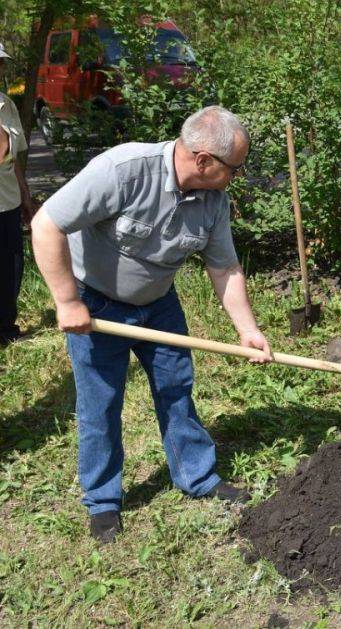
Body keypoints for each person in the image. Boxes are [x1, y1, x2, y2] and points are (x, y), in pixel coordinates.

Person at [32, 105, 272, 543]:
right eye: (234, 168)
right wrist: (67, 301)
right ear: (204, 161)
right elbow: (46, 224)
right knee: (100, 403)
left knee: (175, 388)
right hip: (96, 305)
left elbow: (225, 269)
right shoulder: (123, 170)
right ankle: (103, 501)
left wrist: (247, 330)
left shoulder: (213, 201)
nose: (237, 176)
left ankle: (197, 477)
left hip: (158, 304)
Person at [0, 41, 37, 345]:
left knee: (10, 269)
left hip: (7, 202)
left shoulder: (6, 105)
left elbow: (14, 161)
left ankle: (6, 330)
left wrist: (26, 198)